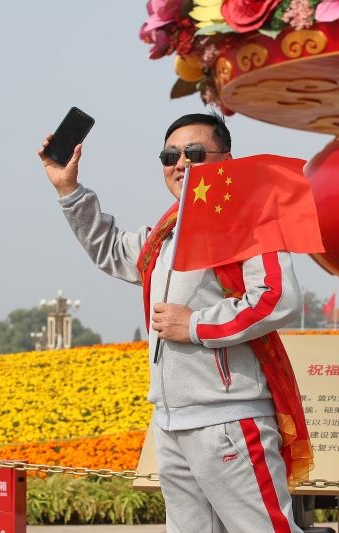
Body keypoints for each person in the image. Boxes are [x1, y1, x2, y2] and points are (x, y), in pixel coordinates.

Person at [38, 112, 310, 533]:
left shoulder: (248, 222)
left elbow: (278, 298)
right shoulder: (164, 233)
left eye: (195, 153)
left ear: (227, 160)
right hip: (171, 421)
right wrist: (68, 190)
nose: (181, 163)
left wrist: (195, 324)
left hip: (228, 419)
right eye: (170, 156)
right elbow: (111, 249)